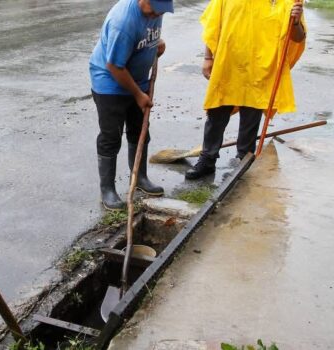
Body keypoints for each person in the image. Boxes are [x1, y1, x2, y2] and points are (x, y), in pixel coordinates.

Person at [185, 0, 306, 180]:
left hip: (260, 68)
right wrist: (208, 57)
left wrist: (295, 22)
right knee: (216, 111)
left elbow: (298, 37)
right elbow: (214, 25)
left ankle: (244, 159)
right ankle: (207, 159)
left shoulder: (287, 1)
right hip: (229, 63)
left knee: (251, 114)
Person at [90, 0, 173, 210]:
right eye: (154, 10)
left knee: (140, 130)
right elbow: (115, 66)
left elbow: (146, 35)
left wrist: (157, 44)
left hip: (138, 79)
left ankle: (140, 178)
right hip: (110, 83)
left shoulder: (156, 10)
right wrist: (138, 94)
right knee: (111, 136)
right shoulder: (123, 22)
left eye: (161, 11)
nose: (157, 15)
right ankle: (107, 190)